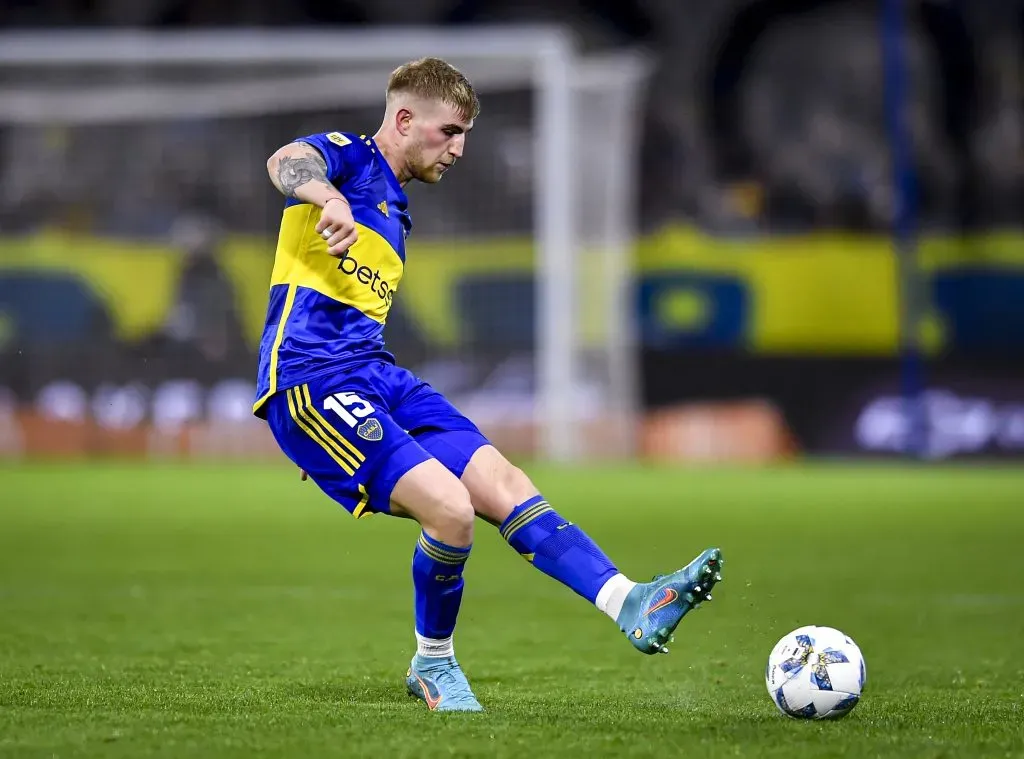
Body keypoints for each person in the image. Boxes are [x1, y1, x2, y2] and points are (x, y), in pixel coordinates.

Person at [253, 57, 723, 712]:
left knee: (504, 483)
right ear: (405, 118)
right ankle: (433, 663)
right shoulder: (349, 161)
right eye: (449, 131)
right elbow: (285, 161)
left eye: (465, 134)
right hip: (311, 379)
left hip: (376, 376)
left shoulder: (396, 207)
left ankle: (629, 600)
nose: (459, 148)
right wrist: (327, 197)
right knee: (449, 508)